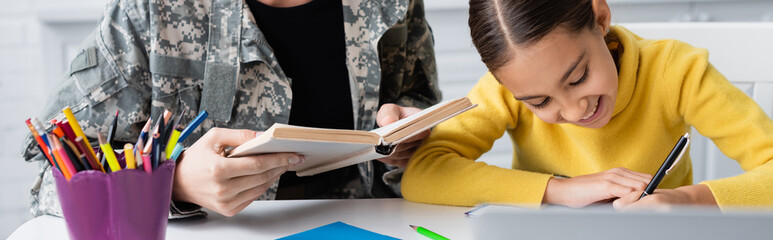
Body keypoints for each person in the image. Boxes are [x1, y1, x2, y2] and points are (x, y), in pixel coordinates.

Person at [22, 0, 440, 218]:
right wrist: (174, 185)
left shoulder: (394, 6)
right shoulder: (150, 12)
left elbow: (418, 107)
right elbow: (51, 180)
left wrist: (408, 139)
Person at [402, 0, 773, 210]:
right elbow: (424, 173)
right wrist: (559, 190)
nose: (576, 112)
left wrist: (690, 200)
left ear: (600, 18)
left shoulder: (677, 71)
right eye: (540, 101)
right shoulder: (504, 89)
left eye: (578, 78)